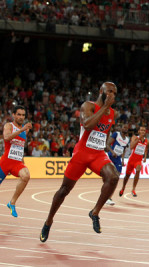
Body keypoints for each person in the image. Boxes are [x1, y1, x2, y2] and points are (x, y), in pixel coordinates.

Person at [40, 82, 120, 242]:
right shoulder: (88, 106)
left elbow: (105, 132)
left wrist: (108, 150)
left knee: (113, 177)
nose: (112, 94)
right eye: (109, 91)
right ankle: (48, 221)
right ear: (101, 91)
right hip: (82, 153)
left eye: (115, 93)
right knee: (64, 190)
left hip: (98, 154)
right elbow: (87, 124)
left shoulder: (113, 113)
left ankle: (95, 212)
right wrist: (104, 107)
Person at [0, 105, 32, 217]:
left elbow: (20, 146)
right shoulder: (9, 125)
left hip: (17, 163)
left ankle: (12, 202)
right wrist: (21, 129)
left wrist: (22, 162)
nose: (21, 117)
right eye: (19, 114)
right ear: (13, 115)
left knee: (26, 176)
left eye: (23, 115)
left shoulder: (25, 130)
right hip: (5, 162)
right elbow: (7, 137)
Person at [119, 126, 148, 197]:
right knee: (127, 176)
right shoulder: (134, 137)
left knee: (138, 169)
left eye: (144, 130)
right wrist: (138, 140)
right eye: (141, 130)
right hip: (131, 160)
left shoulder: (147, 140)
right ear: (139, 131)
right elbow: (131, 147)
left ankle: (133, 189)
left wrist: (145, 157)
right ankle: (123, 188)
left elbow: (146, 148)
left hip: (138, 161)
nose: (143, 132)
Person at [105, 124, 130, 205]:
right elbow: (108, 145)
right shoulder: (116, 134)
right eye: (124, 127)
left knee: (116, 178)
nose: (125, 128)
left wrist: (123, 160)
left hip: (118, 159)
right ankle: (105, 195)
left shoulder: (127, 140)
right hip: (110, 156)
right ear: (121, 128)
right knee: (109, 177)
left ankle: (109, 198)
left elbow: (123, 150)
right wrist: (112, 152)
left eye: (126, 127)